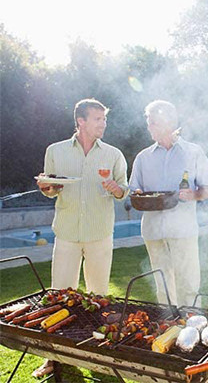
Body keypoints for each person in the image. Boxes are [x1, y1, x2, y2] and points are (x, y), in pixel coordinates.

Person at [34, 99, 128, 379]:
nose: (103, 123)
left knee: (99, 297)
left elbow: (125, 189)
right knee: (59, 297)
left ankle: (98, 354)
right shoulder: (56, 151)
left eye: (104, 119)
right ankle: (53, 358)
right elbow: (50, 187)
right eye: (97, 119)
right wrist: (47, 188)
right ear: (81, 122)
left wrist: (117, 189)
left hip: (100, 233)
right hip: (67, 232)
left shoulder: (113, 154)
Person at [129, 99, 208, 308]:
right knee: (163, 285)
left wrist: (194, 195)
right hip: (153, 230)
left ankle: (191, 325)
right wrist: (138, 194)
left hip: (183, 229)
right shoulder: (143, 157)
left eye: (152, 122)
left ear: (168, 122)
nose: (148, 127)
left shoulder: (193, 152)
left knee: (188, 283)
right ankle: (169, 325)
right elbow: (135, 190)